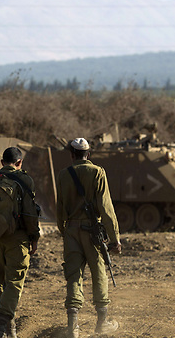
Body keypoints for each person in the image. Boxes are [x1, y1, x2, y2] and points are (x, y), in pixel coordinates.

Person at [56, 138, 121, 338]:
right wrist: (114, 238)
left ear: (72, 154)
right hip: (92, 232)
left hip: (71, 231)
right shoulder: (97, 172)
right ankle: (102, 323)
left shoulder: (63, 175)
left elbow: (60, 208)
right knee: (99, 272)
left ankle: (72, 327)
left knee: (74, 275)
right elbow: (106, 207)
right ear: (88, 154)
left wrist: (63, 230)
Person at [0, 147, 40, 338]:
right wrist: (34, 237)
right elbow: (29, 213)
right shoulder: (25, 180)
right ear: (19, 163)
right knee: (15, 282)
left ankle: (10, 332)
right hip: (16, 239)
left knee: (3, 283)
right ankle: (0, 326)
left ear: (2, 163)